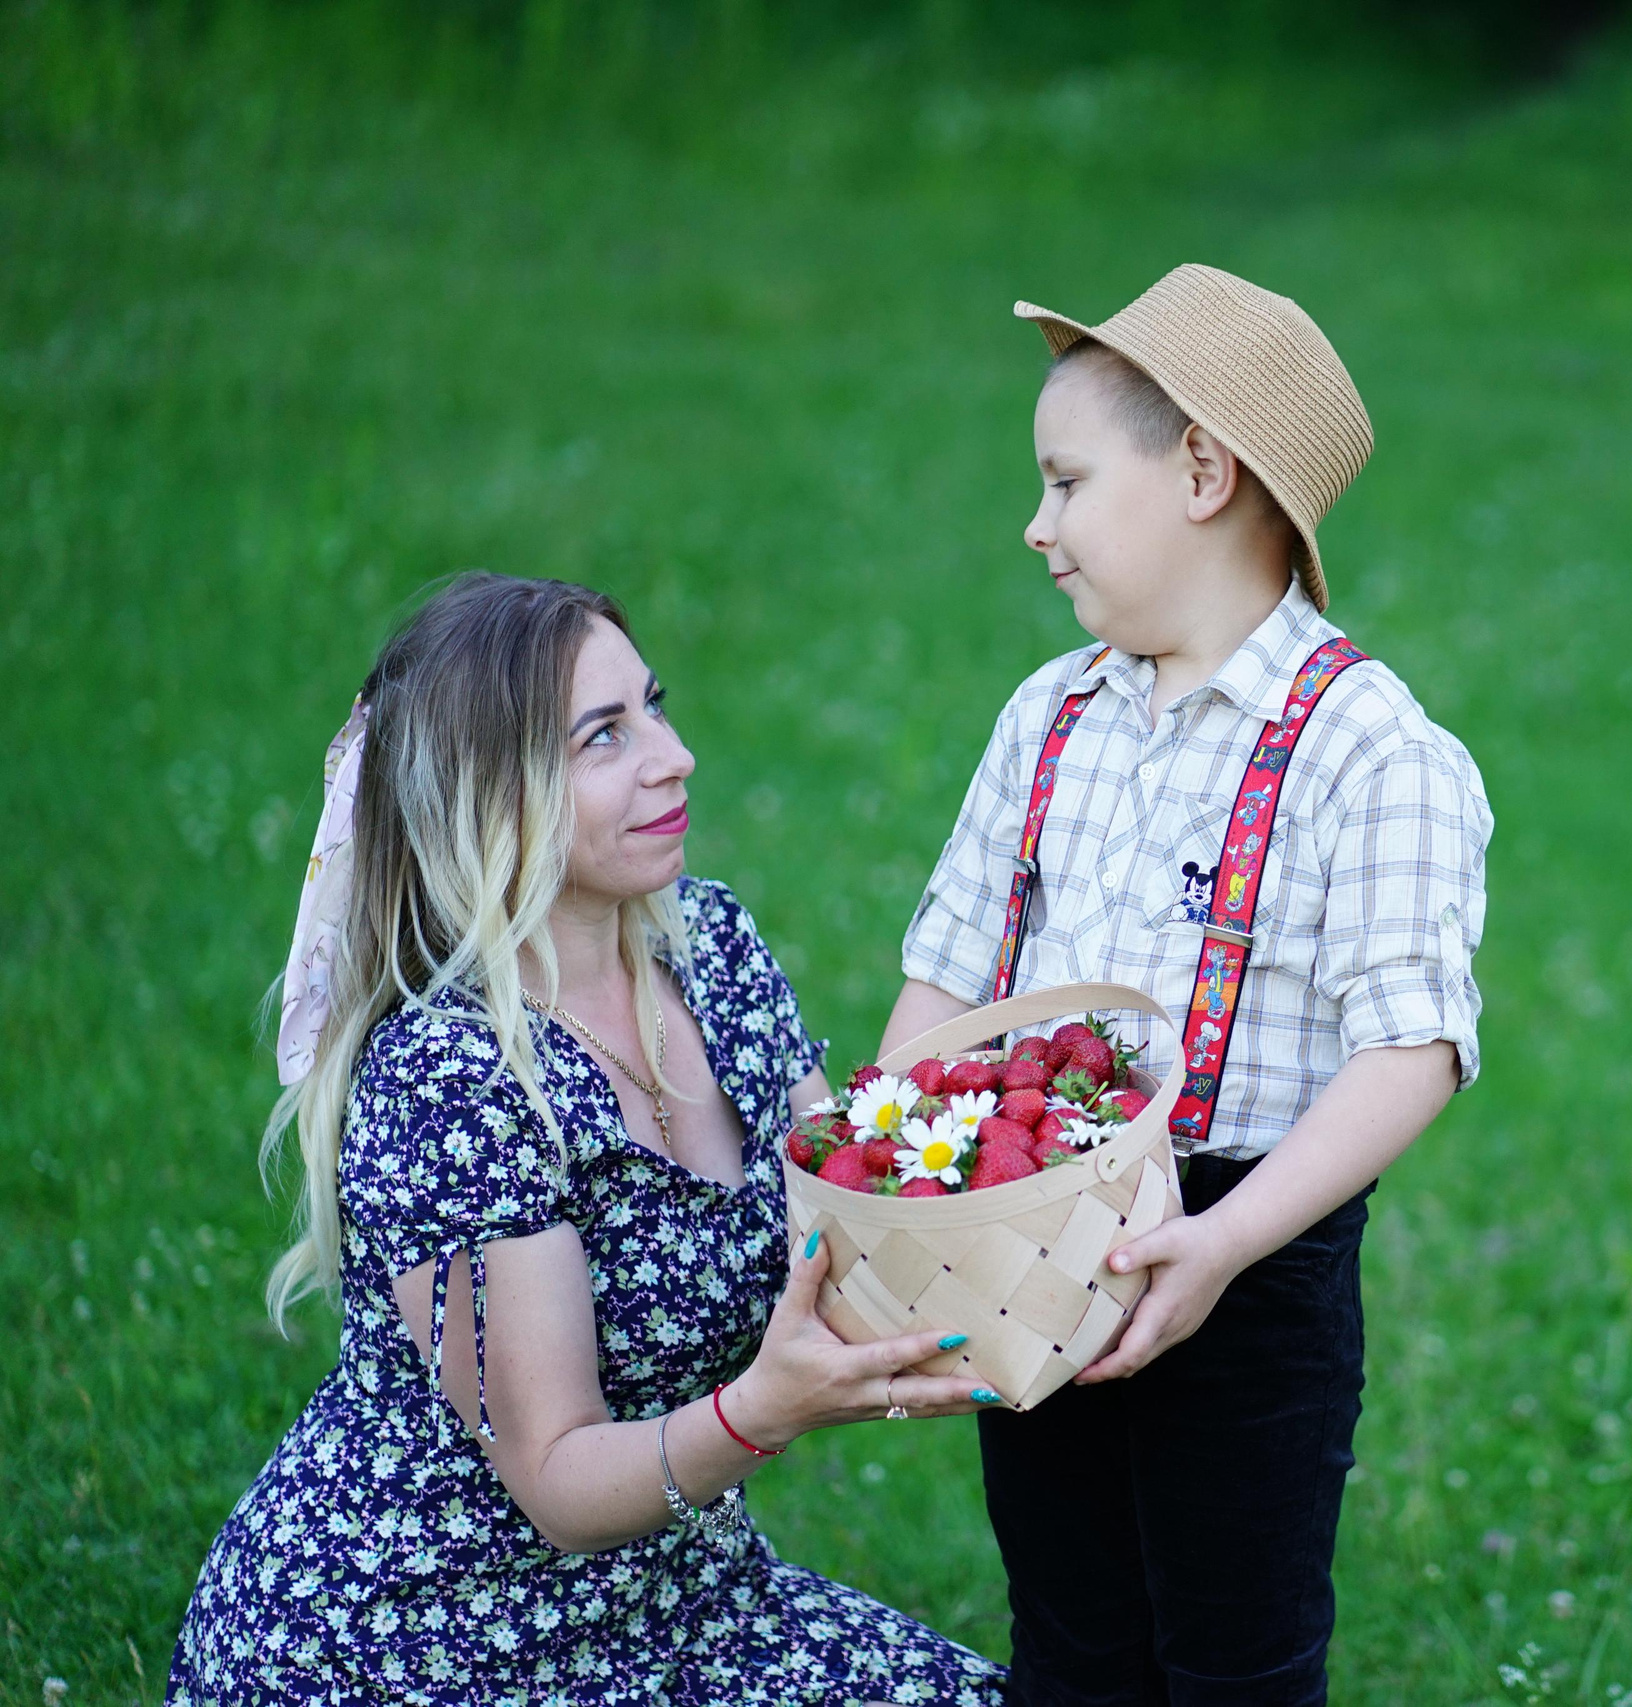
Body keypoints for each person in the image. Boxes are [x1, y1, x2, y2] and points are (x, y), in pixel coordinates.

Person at [170, 572, 1005, 1707]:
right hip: (424, 1643)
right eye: (604, 737)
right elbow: (558, 1478)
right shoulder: (449, 1079)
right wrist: (764, 1408)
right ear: (487, 796)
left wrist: (1022, 1256)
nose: (674, 756)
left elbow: (848, 1227)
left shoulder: (709, 947)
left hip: (684, 1600)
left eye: (653, 707)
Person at [886, 265, 1494, 1705]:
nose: (1036, 524)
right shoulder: (1050, 713)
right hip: (1031, 1233)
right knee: (1073, 1641)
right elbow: (949, 973)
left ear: (1204, 473)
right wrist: (897, 1196)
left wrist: (1225, 1246)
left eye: (1067, 480)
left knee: (1235, 1661)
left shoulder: (1373, 751)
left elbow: (1411, 1044)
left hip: (1250, 1252)